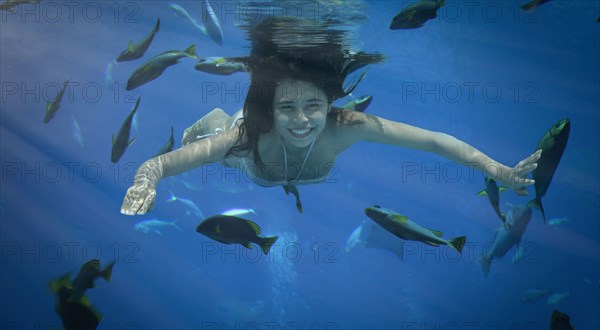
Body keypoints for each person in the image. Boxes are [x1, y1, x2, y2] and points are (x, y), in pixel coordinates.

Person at [120, 18, 541, 216]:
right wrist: (145, 180)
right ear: (270, 108)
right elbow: (158, 163)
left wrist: (496, 169)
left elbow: (433, 141)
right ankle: (211, 119)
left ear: (330, 106)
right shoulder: (247, 136)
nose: (302, 120)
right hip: (243, 152)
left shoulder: (345, 126)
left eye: (313, 107)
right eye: (287, 108)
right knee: (210, 141)